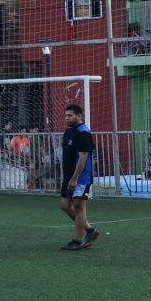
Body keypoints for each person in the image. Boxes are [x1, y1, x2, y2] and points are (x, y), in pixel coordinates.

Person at [59, 104, 100, 251]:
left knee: (78, 207)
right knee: (65, 206)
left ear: (78, 116)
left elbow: (83, 158)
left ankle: (76, 240)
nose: (67, 118)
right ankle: (90, 230)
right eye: (66, 115)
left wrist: (75, 178)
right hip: (68, 176)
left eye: (70, 115)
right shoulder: (69, 132)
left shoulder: (83, 133)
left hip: (80, 178)